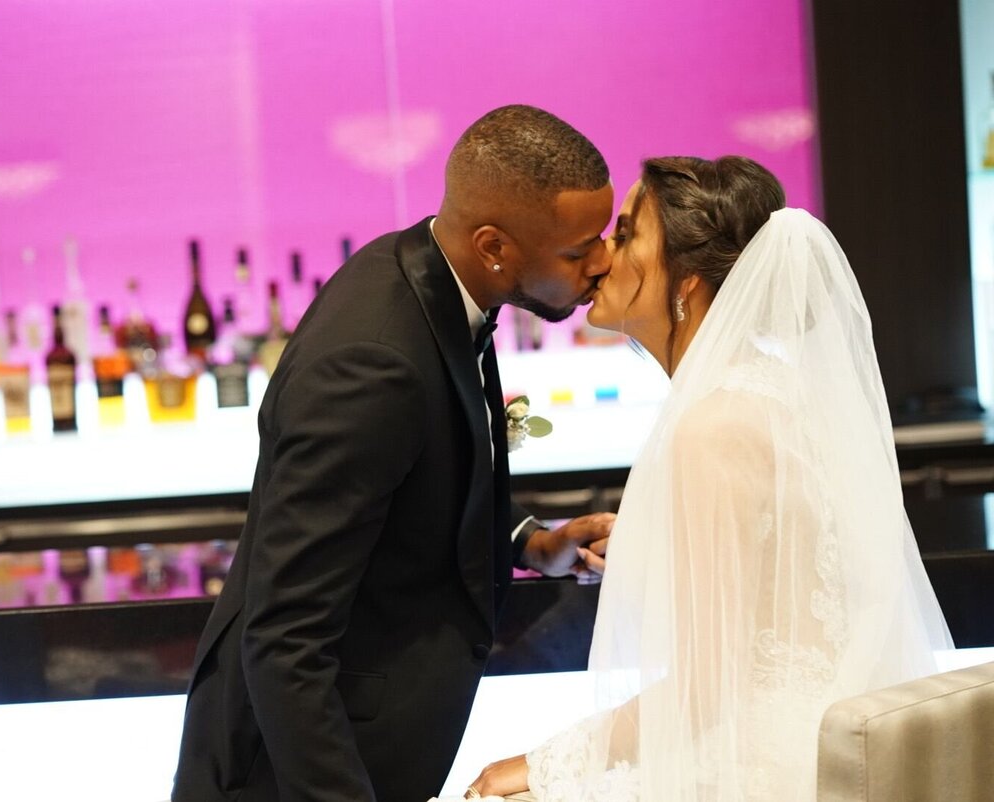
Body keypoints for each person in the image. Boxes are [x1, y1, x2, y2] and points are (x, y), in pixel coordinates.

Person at [460, 156, 953, 801]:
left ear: (686, 283)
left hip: (762, 760)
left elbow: (706, 689)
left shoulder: (712, 424)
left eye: (628, 234)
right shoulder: (760, 393)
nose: (604, 257)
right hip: (801, 737)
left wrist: (544, 765)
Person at [171, 104, 618, 802]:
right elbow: (285, 638)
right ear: (495, 246)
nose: (604, 261)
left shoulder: (441, 282)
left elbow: (421, 481)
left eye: (607, 235)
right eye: (577, 250)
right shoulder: (374, 360)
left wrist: (533, 542)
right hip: (291, 775)